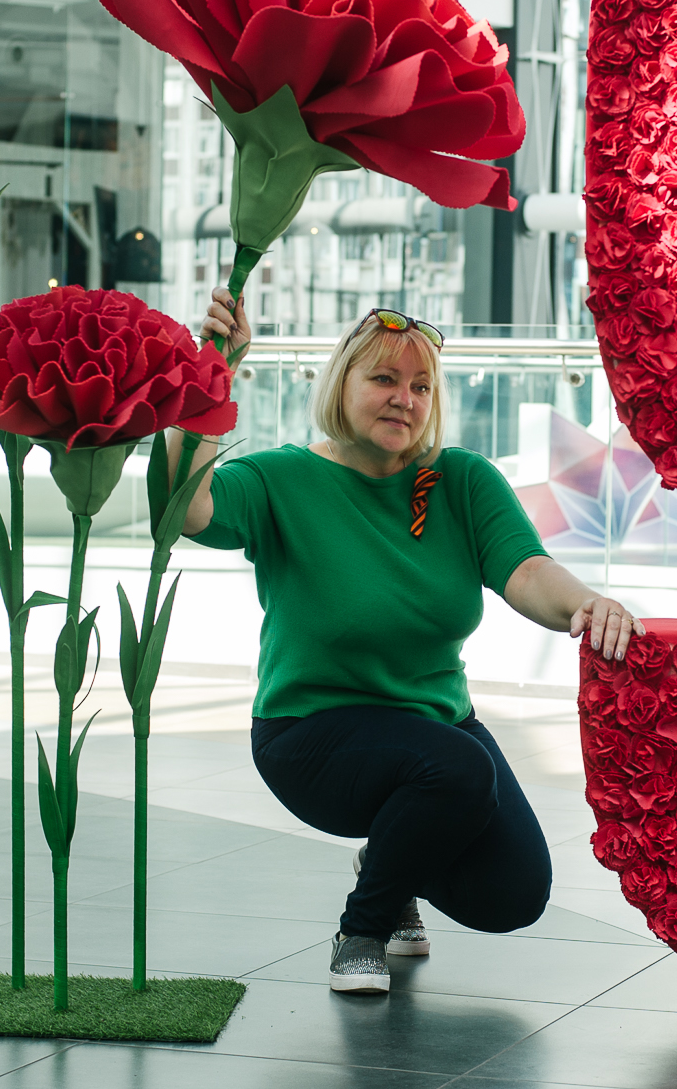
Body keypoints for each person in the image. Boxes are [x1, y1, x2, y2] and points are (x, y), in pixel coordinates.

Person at [173, 292, 644, 996]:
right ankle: (362, 929)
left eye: (421, 386)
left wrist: (586, 602)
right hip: (310, 733)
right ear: (343, 384)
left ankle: (386, 865)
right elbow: (187, 507)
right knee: (455, 768)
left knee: (513, 893)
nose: (405, 398)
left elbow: (525, 569)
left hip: (435, 729)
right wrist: (213, 372)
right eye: (385, 379)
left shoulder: (461, 479)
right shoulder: (281, 478)